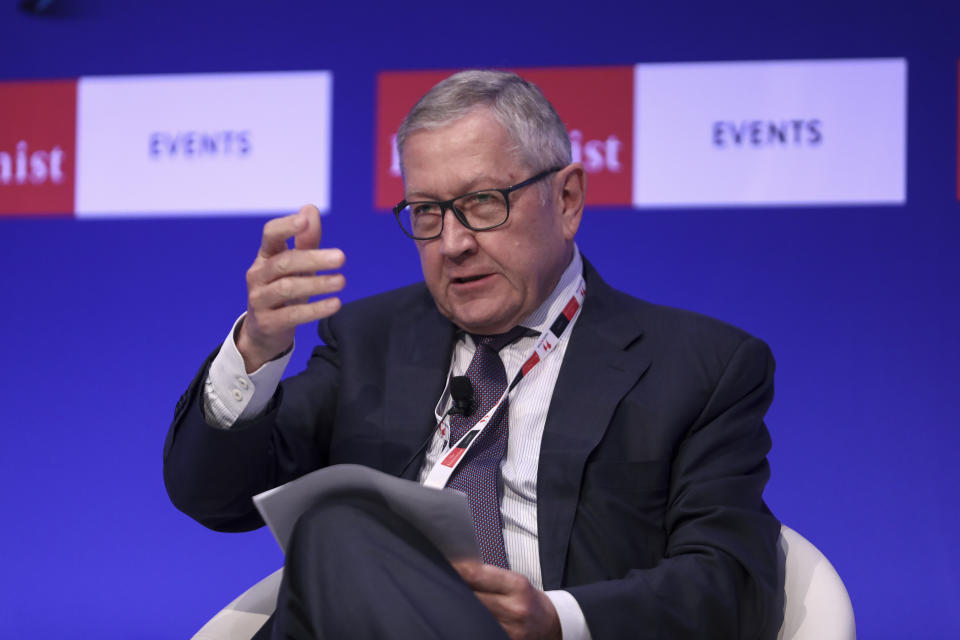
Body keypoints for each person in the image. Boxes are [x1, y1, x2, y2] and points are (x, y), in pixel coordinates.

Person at [164, 70, 783, 640]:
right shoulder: (372, 339)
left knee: (342, 525)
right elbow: (215, 498)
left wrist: (557, 619)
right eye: (428, 212)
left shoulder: (699, 367)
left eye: (484, 202)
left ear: (566, 199)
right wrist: (257, 348)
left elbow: (733, 586)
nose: (453, 243)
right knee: (341, 531)